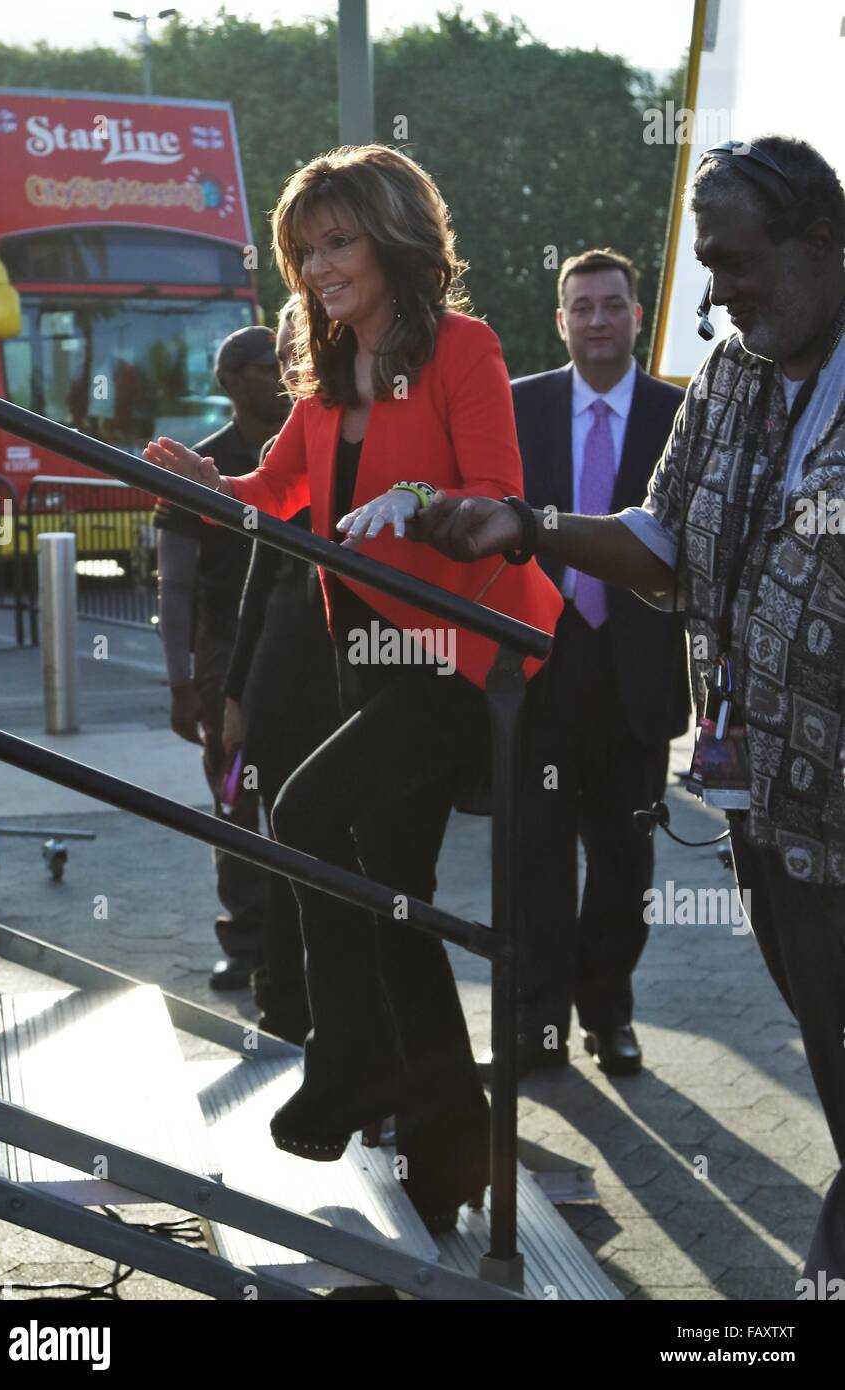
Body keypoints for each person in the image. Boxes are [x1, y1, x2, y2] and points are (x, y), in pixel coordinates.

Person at [413, 135, 845, 1276]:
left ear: (820, 247)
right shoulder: (737, 374)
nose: (717, 295)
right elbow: (661, 543)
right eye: (704, 266)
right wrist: (529, 523)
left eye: (736, 262)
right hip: (773, 819)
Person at [143, 143, 563, 1230]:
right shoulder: (326, 366)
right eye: (304, 250)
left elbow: (497, 502)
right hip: (364, 646)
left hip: (463, 654)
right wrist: (205, 484)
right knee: (393, 890)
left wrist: (419, 499)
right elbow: (273, 492)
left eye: (339, 241)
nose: (320, 266)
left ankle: (351, 1057)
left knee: (308, 809)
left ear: (393, 237)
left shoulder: (462, 347)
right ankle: (449, 1138)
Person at [504, 248, 688, 1078]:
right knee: (534, 855)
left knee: (624, 860)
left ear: (637, 316)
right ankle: (536, 1026)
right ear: (561, 320)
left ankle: (607, 1014)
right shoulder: (518, 408)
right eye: (582, 307)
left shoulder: (680, 413)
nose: (598, 320)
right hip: (541, 665)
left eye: (613, 305)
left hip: (636, 672)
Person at [221, 297, 340, 1044]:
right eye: (289, 349)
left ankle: (345, 1024)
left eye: (306, 345)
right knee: (283, 858)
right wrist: (234, 694)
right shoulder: (291, 451)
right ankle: (283, 1010)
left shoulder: (363, 429)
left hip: (357, 685)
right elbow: (258, 583)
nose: (294, 363)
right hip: (282, 685)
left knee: (342, 870)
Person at [155, 326, 288, 990]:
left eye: (289, 363)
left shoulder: (306, 445)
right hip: (224, 648)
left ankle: (301, 937)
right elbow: (174, 585)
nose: (283, 375)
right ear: (231, 380)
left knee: (300, 792)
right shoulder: (198, 465)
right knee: (234, 793)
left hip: (296, 639)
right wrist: (181, 683)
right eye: (269, 367)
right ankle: (245, 939)